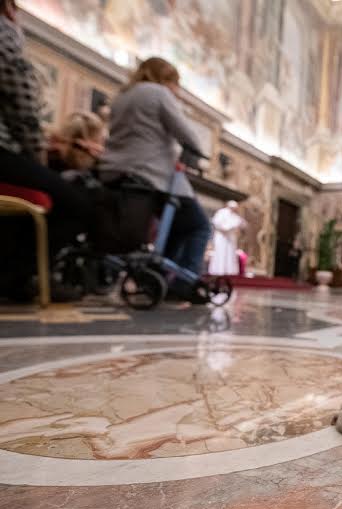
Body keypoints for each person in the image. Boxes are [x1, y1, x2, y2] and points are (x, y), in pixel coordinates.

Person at [0, 0, 94, 299]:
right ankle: (20, 276)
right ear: (9, 8)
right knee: (76, 203)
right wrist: (38, 157)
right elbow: (24, 111)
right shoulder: (5, 35)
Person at [98, 57, 211, 298]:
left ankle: (157, 275)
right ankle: (185, 282)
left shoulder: (122, 96)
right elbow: (188, 135)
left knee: (176, 225)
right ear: (167, 79)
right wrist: (198, 152)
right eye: (176, 84)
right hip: (150, 173)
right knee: (198, 224)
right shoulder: (159, 93)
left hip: (113, 171)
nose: (177, 90)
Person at [208, 200, 246, 275]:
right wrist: (229, 227)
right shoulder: (221, 213)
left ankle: (229, 271)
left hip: (230, 238)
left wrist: (238, 224)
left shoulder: (234, 216)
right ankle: (218, 270)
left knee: (230, 255)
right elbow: (218, 224)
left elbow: (243, 224)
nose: (233, 209)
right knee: (221, 254)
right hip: (222, 237)